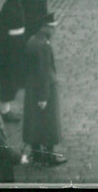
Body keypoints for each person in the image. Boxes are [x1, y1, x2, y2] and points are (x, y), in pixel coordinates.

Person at [23, 12, 67, 166]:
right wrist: (44, 96)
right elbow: (44, 72)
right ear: (46, 27)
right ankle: (49, 156)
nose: (54, 31)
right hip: (45, 88)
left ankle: (36, 153)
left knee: (34, 121)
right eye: (52, 28)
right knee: (49, 123)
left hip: (32, 88)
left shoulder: (32, 41)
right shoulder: (44, 46)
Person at [0, 0, 27, 123]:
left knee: (13, 79)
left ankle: (6, 108)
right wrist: (4, 54)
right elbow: (2, 35)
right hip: (9, 51)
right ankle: (4, 110)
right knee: (8, 81)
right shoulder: (8, 10)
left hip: (17, 48)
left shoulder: (16, 5)